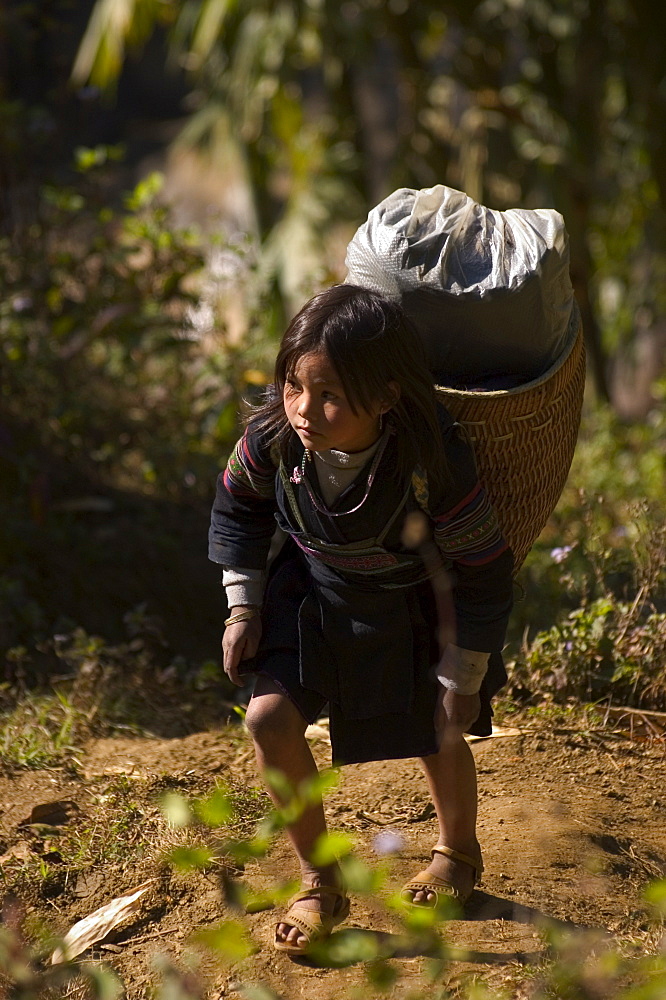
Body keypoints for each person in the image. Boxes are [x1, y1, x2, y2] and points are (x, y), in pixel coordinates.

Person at [209, 284, 514, 956]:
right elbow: (237, 512)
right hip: (312, 597)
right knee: (266, 718)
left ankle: (457, 856)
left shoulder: (432, 462)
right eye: (293, 385)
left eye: (329, 396)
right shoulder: (272, 440)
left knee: (438, 724)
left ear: (385, 398)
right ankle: (321, 879)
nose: (303, 410)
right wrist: (243, 607)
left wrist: (464, 672)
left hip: (409, 605)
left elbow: (487, 571)